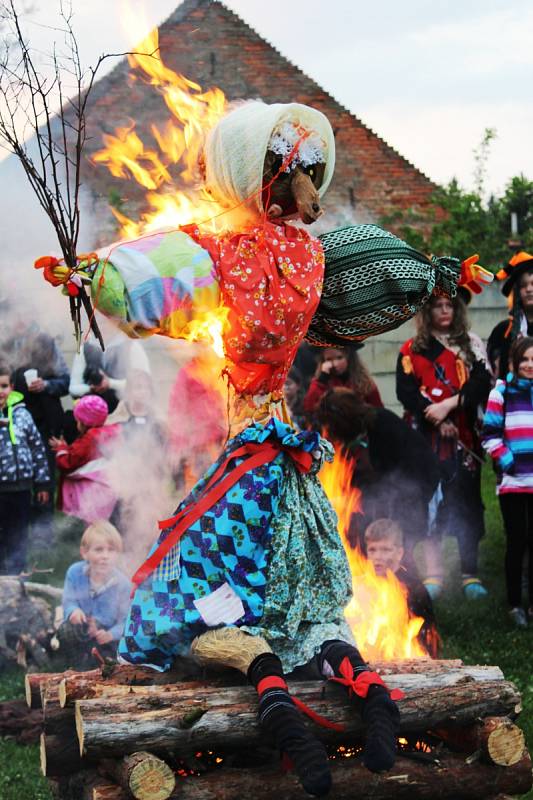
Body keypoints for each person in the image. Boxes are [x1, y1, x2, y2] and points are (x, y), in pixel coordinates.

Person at [396, 293, 492, 599]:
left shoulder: (471, 345)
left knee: (467, 504)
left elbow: (481, 382)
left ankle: (469, 574)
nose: (445, 310)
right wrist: (436, 418)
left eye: (450, 305)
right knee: (432, 505)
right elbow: (406, 392)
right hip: (427, 441)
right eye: (438, 305)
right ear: (427, 310)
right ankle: (435, 573)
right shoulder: (412, 350)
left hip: (465, 440)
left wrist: (450, 405)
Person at [317, 387, 440, 560]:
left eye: (331, 425)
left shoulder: (383, 424)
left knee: (397, 554)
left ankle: (407, 582)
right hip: (381, 498)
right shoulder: (353, 438)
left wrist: (394, 509)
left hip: (411, 492)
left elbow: (400, 475)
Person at [482, 337, 533, 628]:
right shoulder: (501, 392)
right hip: (513, 481)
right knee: (517, 540)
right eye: (524, 359)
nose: (529, 365)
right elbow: (490, 434)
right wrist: (507, 461)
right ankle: (515, 604)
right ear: (514, 362)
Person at [57, 520, 131, 669]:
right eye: (99, 550)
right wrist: (73, 610)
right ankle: (74, 665)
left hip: (106, 634)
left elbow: (126, 620)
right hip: (83, 627)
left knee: (112, 657)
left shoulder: (122, 584)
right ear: (85, 553)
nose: (105, 556)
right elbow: (68, 600)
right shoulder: (75, 572)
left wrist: (111, 634)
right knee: (66, 630)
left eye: (111, 550)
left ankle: (101, 666)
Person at [0, 364, 50, 574]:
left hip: (21, 489)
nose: (0, 391)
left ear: (11, 387)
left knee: (18, 536)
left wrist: (42, 483)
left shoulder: (23, 414)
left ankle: (16, 581)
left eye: (3, 386)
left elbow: (37, 448)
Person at [364, 518, 438, 657]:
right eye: (372, 550)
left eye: (386, 550)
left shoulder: (413, 590)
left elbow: (426, 640)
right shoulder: (362, 586)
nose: (377, 557)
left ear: (399, 553)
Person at [50, 395, 119, 524]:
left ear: (82, 422)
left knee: (92, 529)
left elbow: (68, 463)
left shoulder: (89, 439)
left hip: (89, 496)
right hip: (105, 491)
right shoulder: (107, 434)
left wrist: (61, 448)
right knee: (102, 527)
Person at [303, 344, 383, 420]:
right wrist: (321, 380)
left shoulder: (364, 381)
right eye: (329, 359)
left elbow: (378, 410)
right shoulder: (320, 382)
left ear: (348, 357)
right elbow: (309, 408)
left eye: (339, 357)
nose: (334, 364)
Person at [488, 251, 533, 378]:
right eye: (523, 286)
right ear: (517, 292)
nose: (529, 289)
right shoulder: (503, 331)